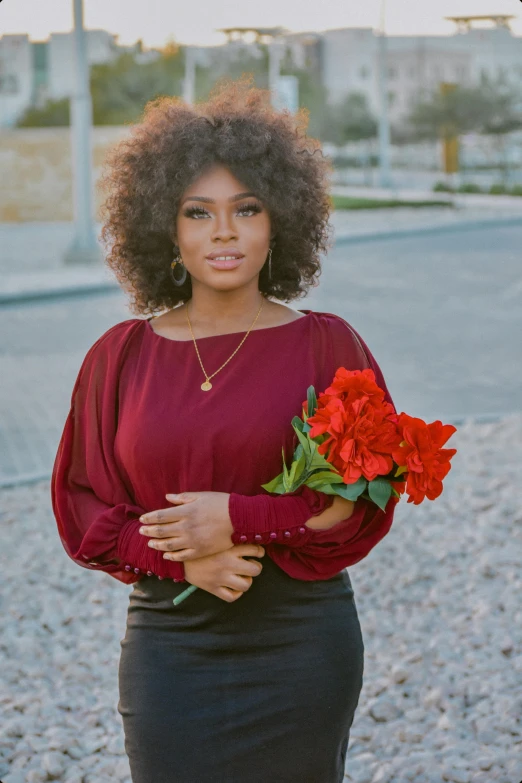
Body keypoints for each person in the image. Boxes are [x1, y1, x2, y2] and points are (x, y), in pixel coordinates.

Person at [51, 77, 398, 783]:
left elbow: (363, 498)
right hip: (171, 645)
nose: (225, 231)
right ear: (167, 231)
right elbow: (83, 503)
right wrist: (184, 560)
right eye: (198, 213)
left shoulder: (329, 347)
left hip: (300, 642)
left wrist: (237, 517)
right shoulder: (120, 357)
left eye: (246, 208)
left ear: (280, 223)